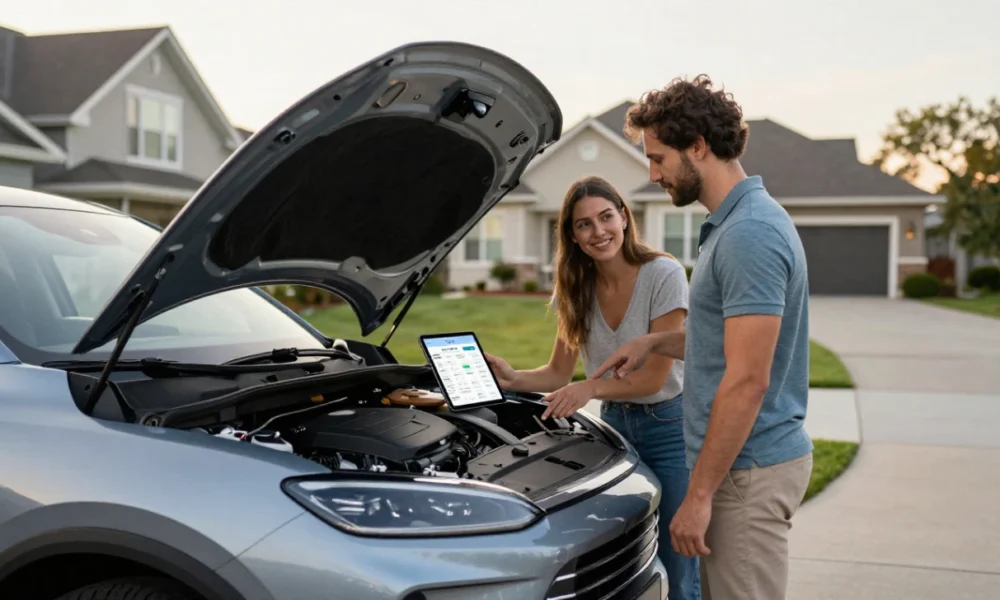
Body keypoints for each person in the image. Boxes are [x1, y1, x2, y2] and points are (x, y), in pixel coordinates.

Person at [590, 75, 813, 600]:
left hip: (747, 471)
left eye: (659, 157)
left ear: (698, 146)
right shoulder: (731, 225)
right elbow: (725, 345)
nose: (652, 173)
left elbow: (748, 379)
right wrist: (653, 344)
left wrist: (700, 495)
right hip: (742, 465)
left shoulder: (749, 235)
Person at [484, 175, 701, 600]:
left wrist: (590, 389)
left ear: (624, 216)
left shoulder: (663, 274)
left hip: (669, 429)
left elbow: (654, 378)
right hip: (616, 430)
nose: (598, 231)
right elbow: (556, 374)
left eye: (606, 217)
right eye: (584, 224)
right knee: (622, 559)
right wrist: (512, 377)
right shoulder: (577, 286)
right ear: (573, 236)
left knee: (677, 565)